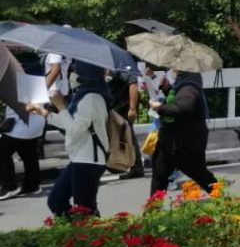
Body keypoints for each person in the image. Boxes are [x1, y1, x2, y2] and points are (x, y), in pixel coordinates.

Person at [26, 61, 110, 217]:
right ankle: (75, 234)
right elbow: (70, 123)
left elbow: (74, 130)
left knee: (84, 210)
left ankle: (89, 238)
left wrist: (61, 106)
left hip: (89, 160)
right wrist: (43, 112)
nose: (72, 75)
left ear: (85, 74)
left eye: (74, 70)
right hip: (80, 158)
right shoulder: (85, 95)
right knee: (57, 200)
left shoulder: (91, 98)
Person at [148, 69, 217, 196]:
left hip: (184, 145)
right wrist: (167, 88)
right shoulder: (183, 83)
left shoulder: (189, 86)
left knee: (202, 176)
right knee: (160, 177)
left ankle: (227, 203)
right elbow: (177, 100)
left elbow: (182, 108)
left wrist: (159, 108)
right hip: (172, 142)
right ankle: (152, 213)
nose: (172, 68)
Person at [0, 102, 44, 200]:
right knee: (28, 153)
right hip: (34, 122)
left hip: (21, 123)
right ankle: (32, 185)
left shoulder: (18, 87)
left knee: (2, 151)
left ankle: (9, 187)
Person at [108, 70, 144, 179]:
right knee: (123, 138)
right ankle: (125, 166)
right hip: (116, 107)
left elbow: (133, 84)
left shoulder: (122, 69)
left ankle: (136, 168)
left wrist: (132, 108)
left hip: (123, 107)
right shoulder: (114, 70)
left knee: (128, 139)